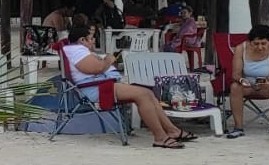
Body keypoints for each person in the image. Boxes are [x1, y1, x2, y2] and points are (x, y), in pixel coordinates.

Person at [63, 23, 193, 148]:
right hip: (95, 88)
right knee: (143, 94)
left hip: (98, 84)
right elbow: (96, 68)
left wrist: (104, 61)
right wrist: (108, 60)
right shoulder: (77, 51)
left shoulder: (77, 50)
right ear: (82, 40)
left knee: (148, 93)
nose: (93, 41)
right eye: (91, 39)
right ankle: (160, 137)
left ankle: (172, 130)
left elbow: (94, 68)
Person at [227, 24, 269, 142]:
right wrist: (241, 80)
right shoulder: (241, 49)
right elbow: (235, 74)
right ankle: (238, 127)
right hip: (247, 86)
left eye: (264, 43)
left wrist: (268, 84)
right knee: (234, 87)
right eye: (256, 43)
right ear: (250, 42)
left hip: (267, 87)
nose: (260, 47)